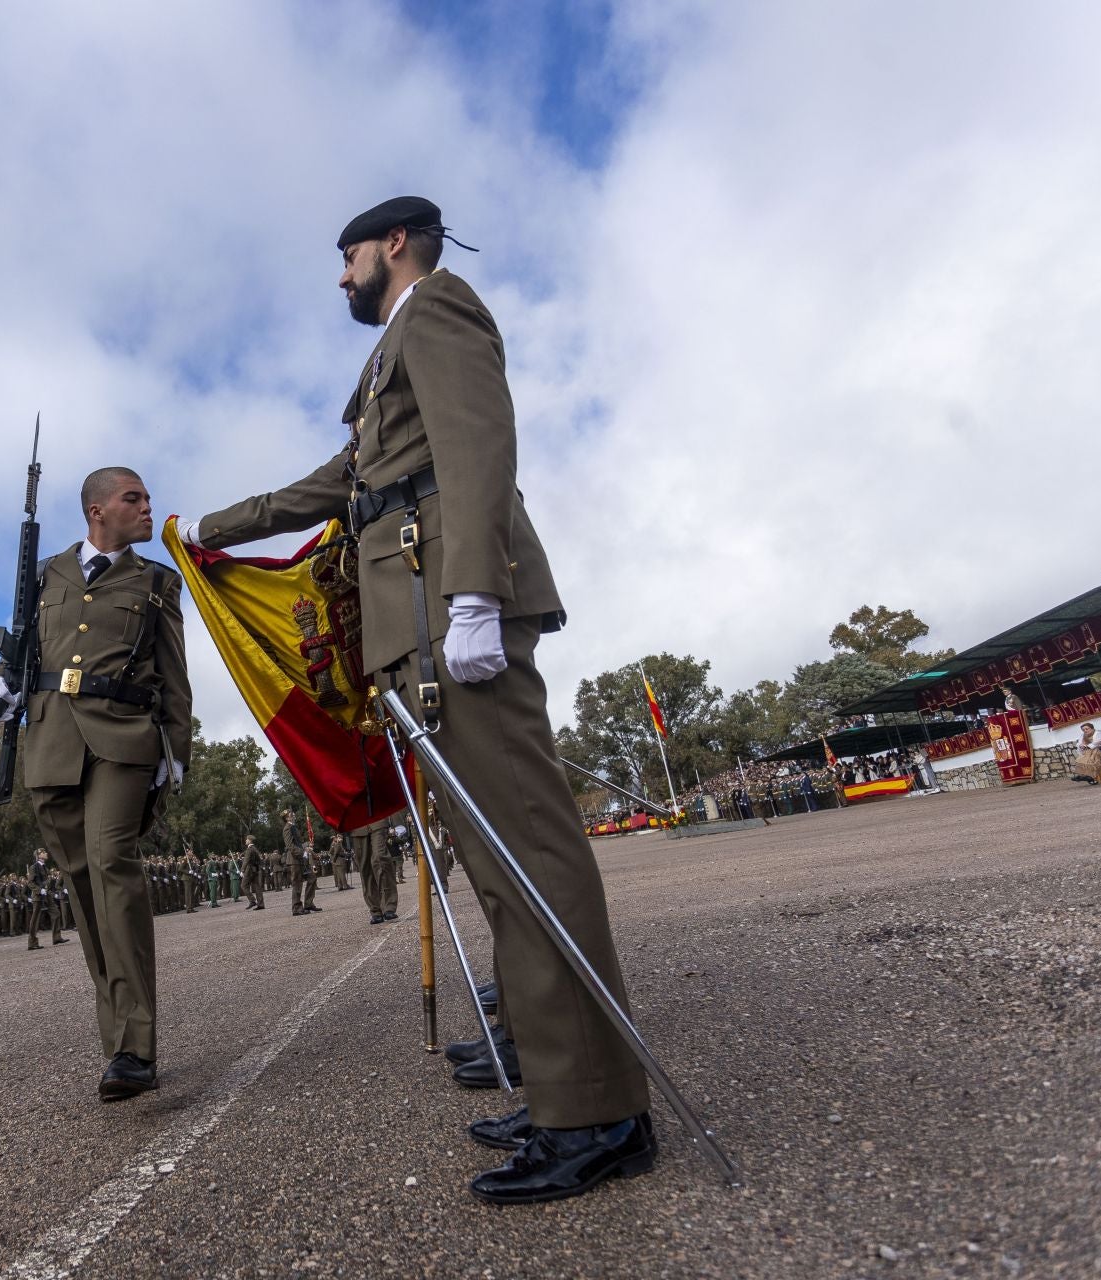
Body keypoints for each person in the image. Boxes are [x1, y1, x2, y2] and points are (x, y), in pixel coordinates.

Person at [181, 196, 653, 1204]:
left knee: (529, 850)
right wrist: (216, 527)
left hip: (449, 605)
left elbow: (481, 443)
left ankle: (598, 1112)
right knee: (496, 861)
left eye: (348, 255)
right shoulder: (386, 354)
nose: (340, 274)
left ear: (393, 243)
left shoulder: (438, 309)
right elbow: (342, 483)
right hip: (418, 619)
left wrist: (475, 591)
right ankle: (560, 1082)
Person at [0, 466, 193, 1101]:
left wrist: (176, 750)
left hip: (125, 738)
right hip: (51, 739)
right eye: (135, 498)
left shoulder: (157, 581)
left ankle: (135, 1046)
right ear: (97, 511)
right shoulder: (46, 573)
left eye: (148, 497)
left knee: (110, 861)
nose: (148, 507)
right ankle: (120, 1036)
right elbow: (22, 643)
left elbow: (174, 673)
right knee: (81, 882)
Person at [242, 837, 266, 910]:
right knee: (257, 887)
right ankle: (261, 904)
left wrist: (242, 870)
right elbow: (260, 860)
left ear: (250, 841)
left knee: (244, 885)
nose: (246, 840)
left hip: (249, 870)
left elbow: (246, 860)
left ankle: (252, 900)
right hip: (255, 869)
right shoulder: (255, 849)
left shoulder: (249, 849)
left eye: (247, 839)